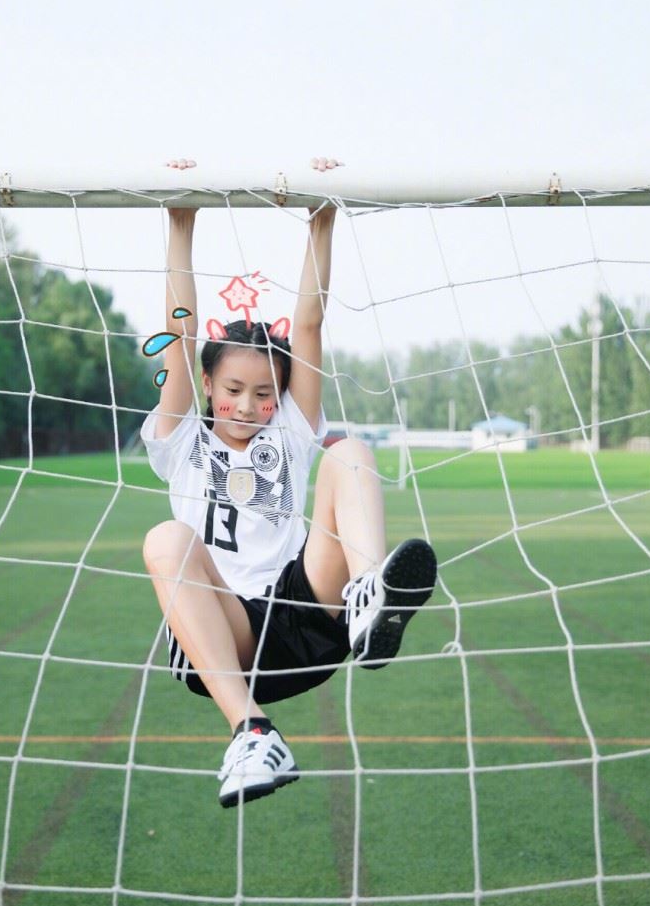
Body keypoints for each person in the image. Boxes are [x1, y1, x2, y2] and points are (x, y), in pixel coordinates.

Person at [142, 203, 437, 808]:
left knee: (349, 451)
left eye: (263, 394)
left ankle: (366, 597)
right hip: (223, 635)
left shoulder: (288, 437)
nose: (248, 406)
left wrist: (323, 218)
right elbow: (181, 332)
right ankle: (252, 735)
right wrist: (180, 221)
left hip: (303, 616)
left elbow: (308, 326)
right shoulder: (181, 441)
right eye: (232, 391)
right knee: (164, 539)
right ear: (206, 385)